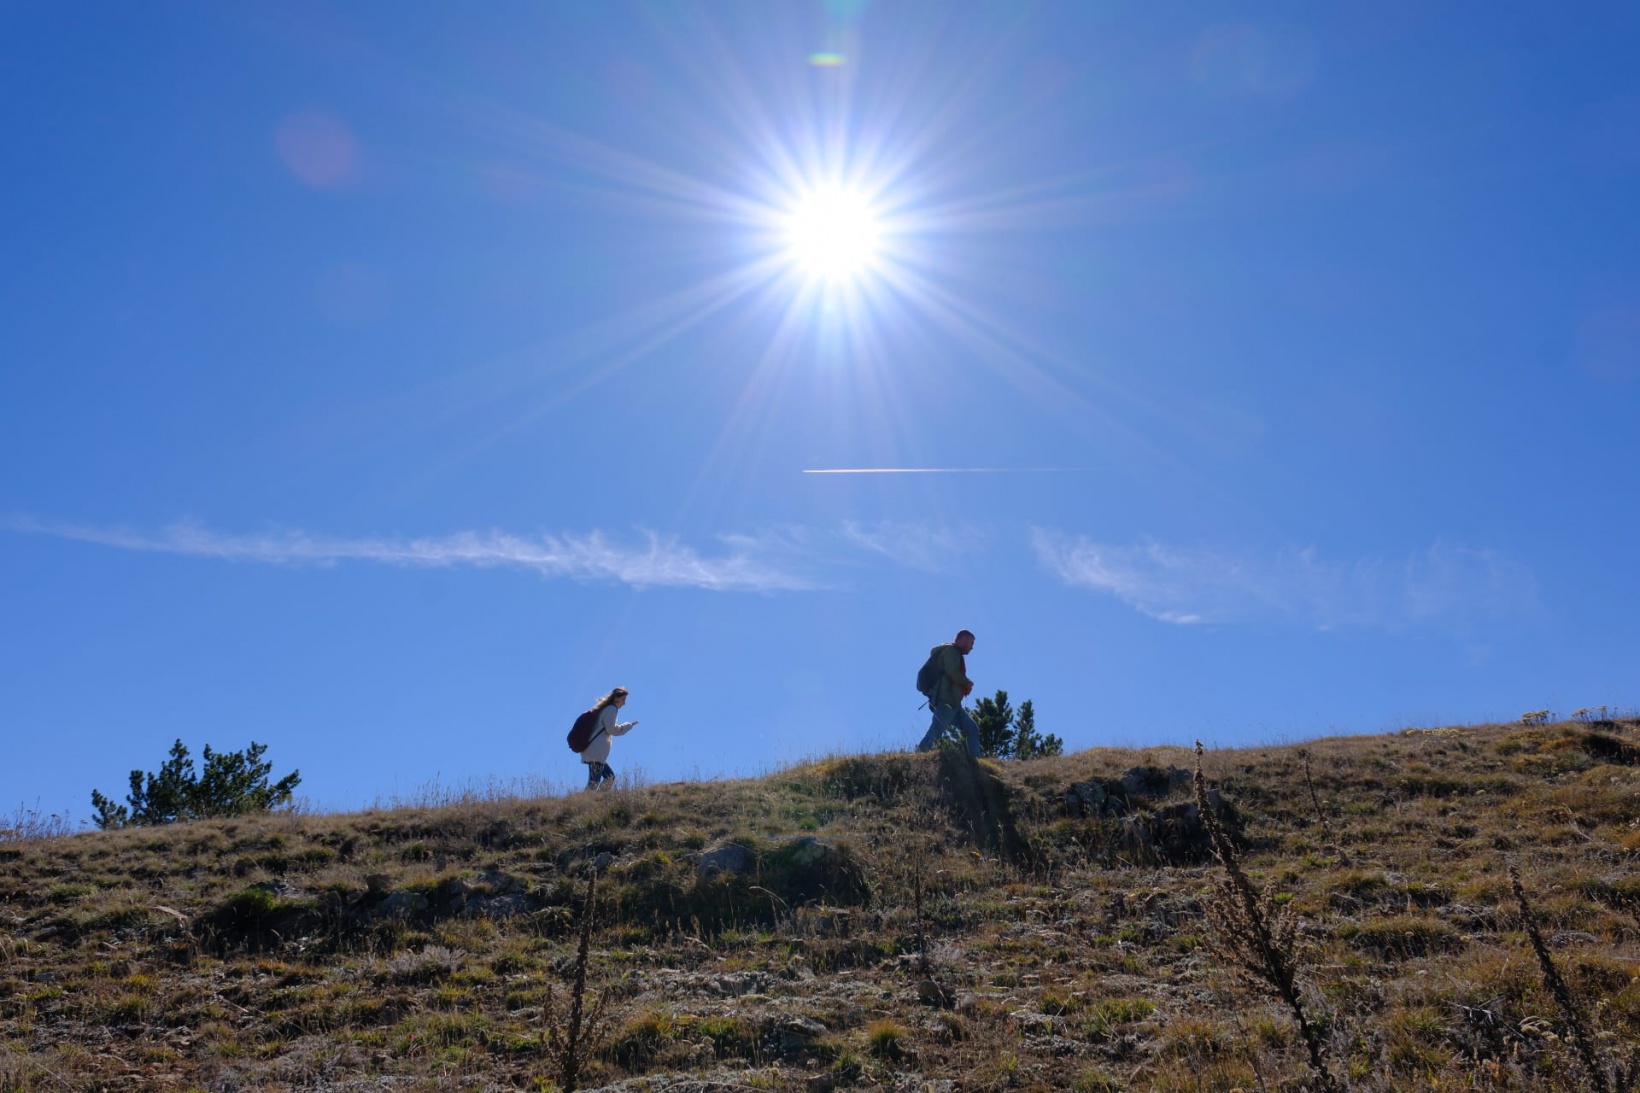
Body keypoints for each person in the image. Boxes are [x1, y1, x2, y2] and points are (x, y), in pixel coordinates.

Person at [916, 630, 980, 758]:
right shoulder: (951, 652)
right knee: (936, 731)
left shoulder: (952, 653)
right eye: (970, 643)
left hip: (953, 703)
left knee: (972, 730)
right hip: (946, 701)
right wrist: (967, 683)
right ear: (961, 640)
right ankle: (919, 755)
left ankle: (974, 762)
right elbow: (952, 673)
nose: (972, 647)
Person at [577, 687, 639, 790]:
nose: (624, 703)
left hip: (593, 750)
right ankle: (589, 801)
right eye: (623, 699)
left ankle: (599, 799)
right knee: (594, 782)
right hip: (596, 752)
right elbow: (612, 730)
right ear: (616, 699)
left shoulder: (604, 709)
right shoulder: (611, 709)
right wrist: (627, 726)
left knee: (609, 777)